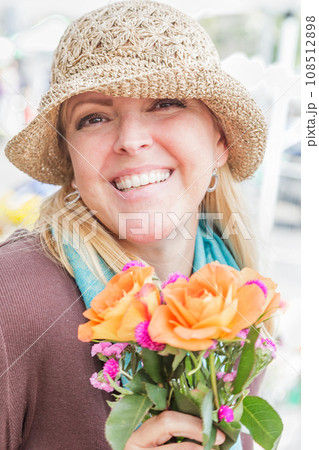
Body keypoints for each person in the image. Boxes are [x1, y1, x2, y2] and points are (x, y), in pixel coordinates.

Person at [0, 0, 268, 448]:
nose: (130, 140)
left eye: (164, 102)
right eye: (95, 117)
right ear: (71, 159)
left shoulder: (239, 300)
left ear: (220, 139)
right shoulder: (15, 296)